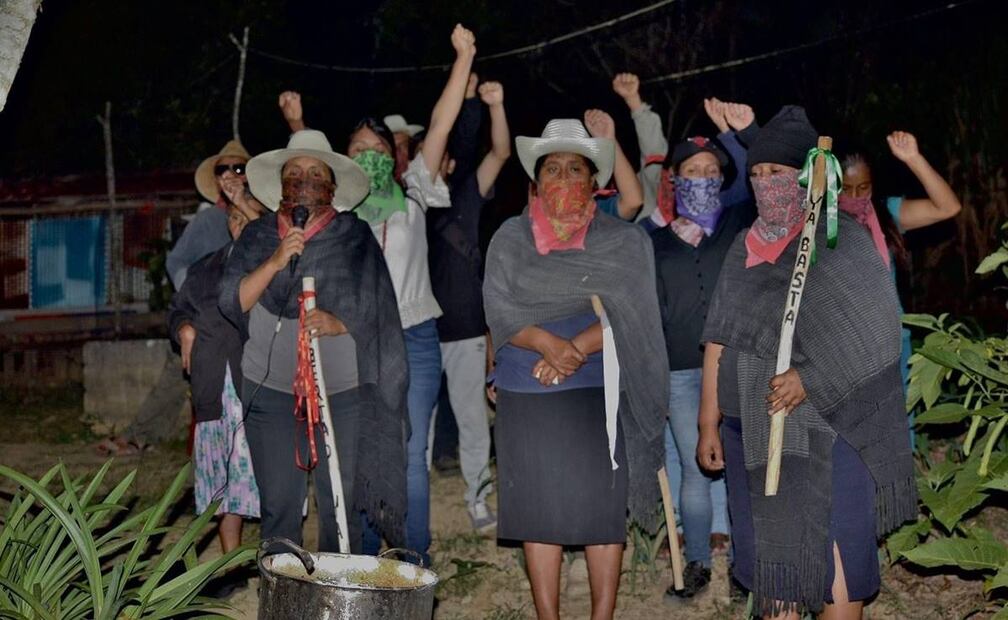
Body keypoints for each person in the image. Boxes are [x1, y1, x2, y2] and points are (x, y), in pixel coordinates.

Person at [697, 106, 918, 618]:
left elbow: (877, 335)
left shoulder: (841, 244)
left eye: (775, 173)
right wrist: (708, 420)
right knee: (776, 563)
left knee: (834, 555)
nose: (762, 184)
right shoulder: (742, 249)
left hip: (828, 428)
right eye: (754, 175)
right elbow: (717, 340)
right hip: (747, 432)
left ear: (803, 178)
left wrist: (811, 378)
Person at [279, 24, 476, 565]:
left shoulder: (414, 195)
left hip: (413, 336)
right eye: (357, 151)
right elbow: (301, 168)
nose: (368, 157)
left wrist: (463, 58)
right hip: (349, 340)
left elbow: (441, 123)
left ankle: (411, 554)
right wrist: (297, 124)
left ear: (393, 157)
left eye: (377, 150)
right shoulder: (336, 217)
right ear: (343, 164)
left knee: (410, 450)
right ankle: (360, 555)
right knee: (356, 448)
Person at [484, 118, 668, 620]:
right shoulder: (510, 237)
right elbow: (497, 308)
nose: (563, 179)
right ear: (535, 182)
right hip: (527, 385)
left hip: (596, 387)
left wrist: (577, 348)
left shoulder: (622, 241)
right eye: (551, 169)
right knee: (537, 512)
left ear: (594, 182)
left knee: (600, 511)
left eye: (575, 169)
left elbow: (637, 314)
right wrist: (545, 342)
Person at [218, 129, 409, 555]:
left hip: (341, 390)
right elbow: (233, 301)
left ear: (332, 185)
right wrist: (275, 260)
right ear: (281, 184)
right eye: (295, 172)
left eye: (315, 172)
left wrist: (341, 322)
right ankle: (285, 596)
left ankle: (340, 598)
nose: (304, 178)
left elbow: (377, 305)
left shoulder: (354, 236)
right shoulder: (257, 236)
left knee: (338, 503)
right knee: (281, 505)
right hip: (268, 390)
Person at [614, 72, 758, 599]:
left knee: (741, 469)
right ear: (672, 179)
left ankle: (747, 571)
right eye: (690, 171)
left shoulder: (739, 225)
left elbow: (759, 175)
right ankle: (696, 564)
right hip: (678, 371)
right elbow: (640, 310)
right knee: (696, 471)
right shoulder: (650, 241)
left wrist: (733, 137)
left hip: (740, 366)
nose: (701, 177)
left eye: (709, 170)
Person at [426, 73, 511, 532]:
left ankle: (478, 498)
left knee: (474, 420)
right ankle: (412, 497)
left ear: (452, 164)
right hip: (417, 330)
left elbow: (499, 152)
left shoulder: (465, 194)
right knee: (415, 421)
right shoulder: (409, 201)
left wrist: (492, 105)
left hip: (464, 330)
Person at [167, 194, 262, 597]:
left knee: (262, 475)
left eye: (249, 217)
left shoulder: (272, 265)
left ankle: (278, 562)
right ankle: (232, 565)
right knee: (221, 478)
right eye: (235, 217)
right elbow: (177, 308)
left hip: (256, 386)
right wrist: (184, 327)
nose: (240, 223)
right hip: (212, 388)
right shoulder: (206, 267)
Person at [838, 131, 962, 392]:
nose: (854, 197)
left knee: (901, 430)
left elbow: (948, 208)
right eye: (845, 188)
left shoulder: (887, 214)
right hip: (841, 353)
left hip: (892, 346)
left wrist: (913, 158)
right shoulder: (816, 224)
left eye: (863, 188)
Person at [166, 140, 261, 288]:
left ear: (249, 175)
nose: (229, 175)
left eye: (238, 169)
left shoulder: (266, 214)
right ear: (217, 180)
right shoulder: (206, 220)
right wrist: (194, 295)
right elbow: (175, 261)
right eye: (222, 170)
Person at [582, 108, 644, 221]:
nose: (563, 175)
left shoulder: (590, 211)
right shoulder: (540, 211)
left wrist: (609, 142)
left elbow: (633, 201)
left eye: (574, 169)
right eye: (552, 169)